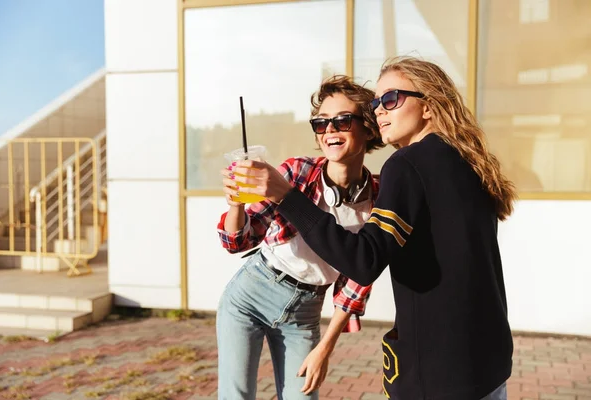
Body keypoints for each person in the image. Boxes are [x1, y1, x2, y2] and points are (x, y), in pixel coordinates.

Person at [231, 56, 517, 400]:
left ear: (429, 106)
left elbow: (363, 260)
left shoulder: (408, 164)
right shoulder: (470, 161)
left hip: (439, 374)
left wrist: (287, 197)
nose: (379, 110)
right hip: (488, 363)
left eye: (391, 99)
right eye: (377, 102)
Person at [216, 75, 385, 399]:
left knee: (302, 396)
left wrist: (325, 347)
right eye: (321, 124)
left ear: (369, 128)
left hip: (305, 313)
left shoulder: (378, 199)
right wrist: (236, 203)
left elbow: (358, 284)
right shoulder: (298, 172)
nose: (330, 131)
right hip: (250, 295)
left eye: (342, 121)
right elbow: (238, 242)